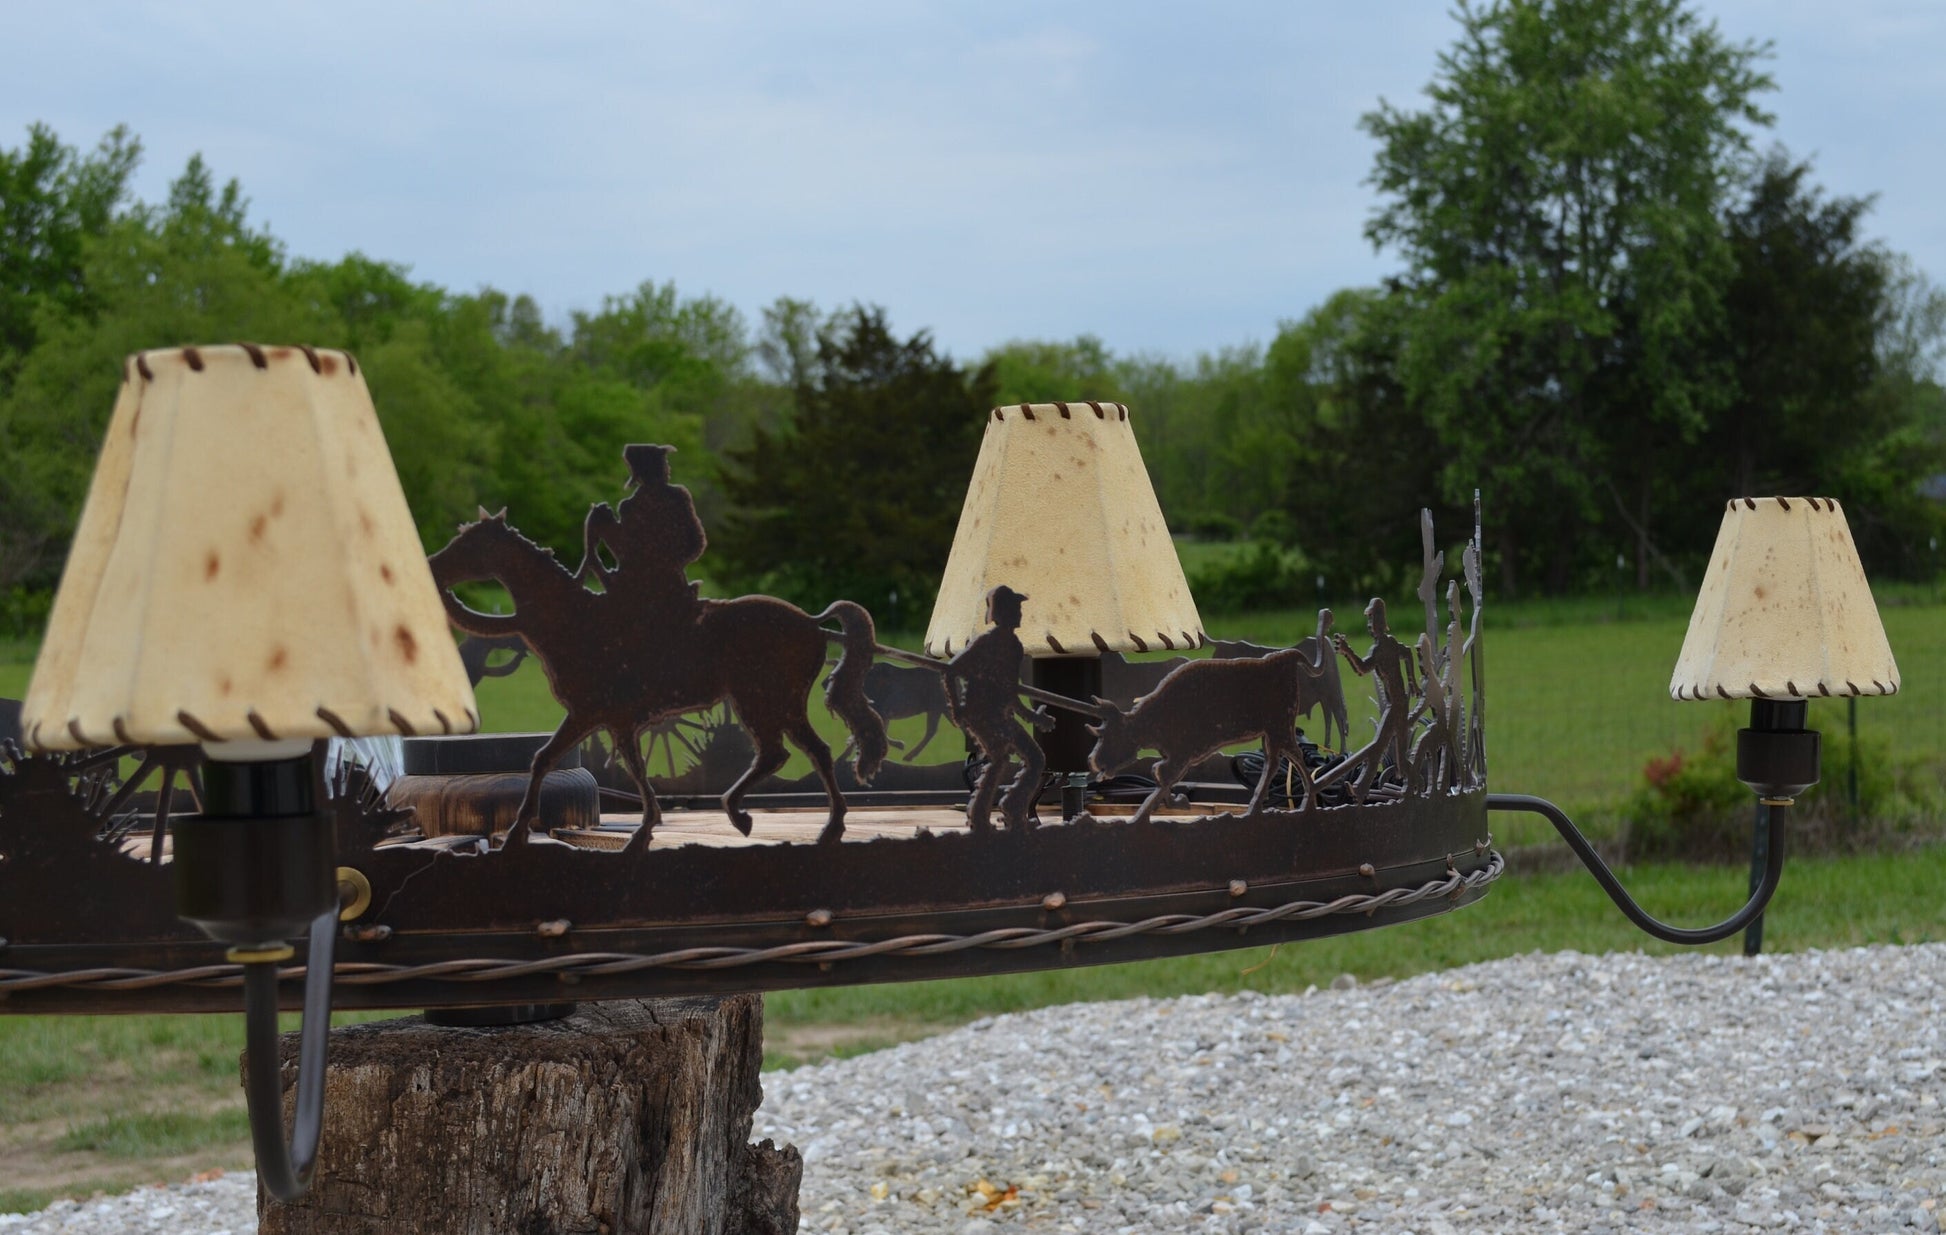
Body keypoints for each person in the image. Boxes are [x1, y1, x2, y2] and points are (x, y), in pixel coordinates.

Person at [942, 585, 1053, 832]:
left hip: (1000, 715)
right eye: (1015, 608)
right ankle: (979, 816)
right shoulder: (985, 642)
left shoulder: (1014, 646)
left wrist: (1033, 717)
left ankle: (1013, 807)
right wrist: (958, 708)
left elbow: (1011, 693)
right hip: (981, 715)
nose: (1020, 613)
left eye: (1019, 608)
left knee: (1035, 759)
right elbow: (951, 671)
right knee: (999, 757)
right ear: (1000, 613)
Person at [577, 444, 706, 621]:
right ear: (653, 468)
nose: (668, 468)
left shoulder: (673, 498)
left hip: (666, 587)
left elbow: (696, 542)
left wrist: (668, 566)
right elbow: (630, 554)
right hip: (641, 587)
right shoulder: (633, 507)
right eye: (664, 464)